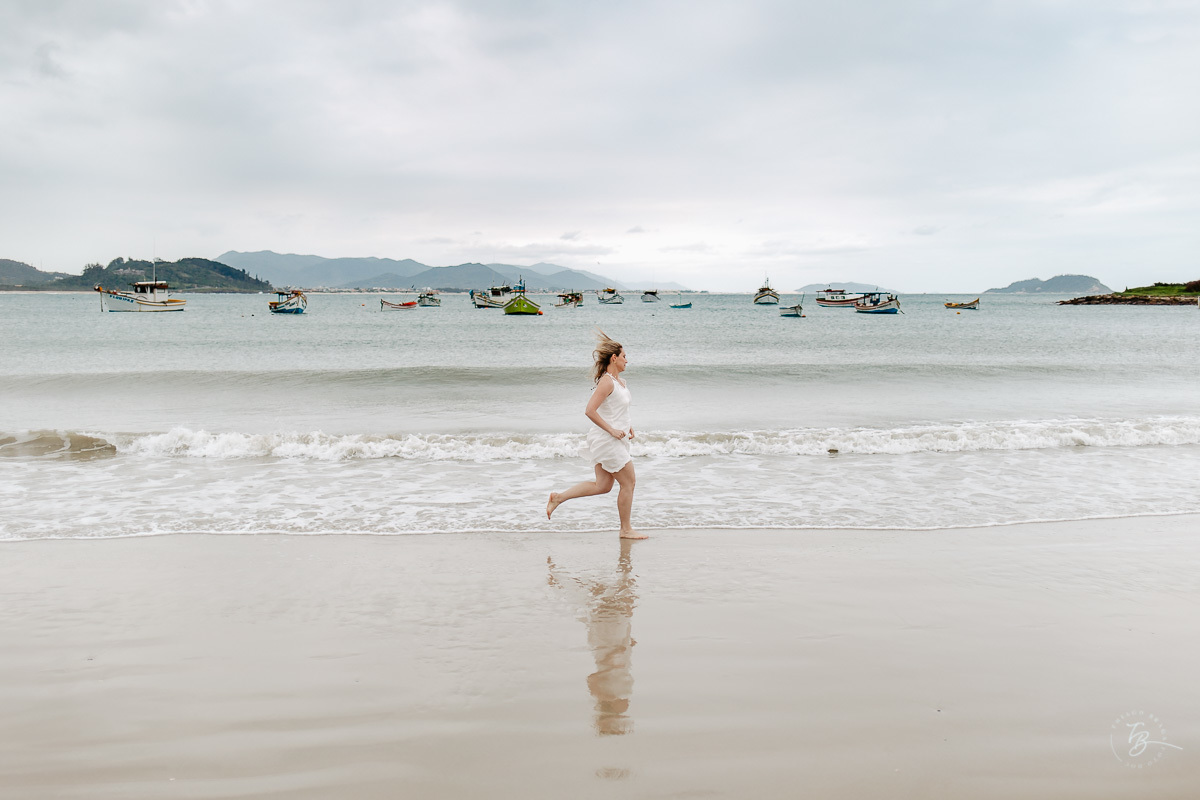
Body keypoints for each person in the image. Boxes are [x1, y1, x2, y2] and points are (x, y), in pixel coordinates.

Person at [546, 329, 647, 539]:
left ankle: (558, 498)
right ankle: (625, 529)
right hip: (607, 440)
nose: (627, 360)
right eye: (624, 356)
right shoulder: (607, 381)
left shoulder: (621, 383)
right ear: (614, 358)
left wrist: (629, 426)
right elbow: (589, 410)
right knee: (629, 483)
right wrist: (611, 430)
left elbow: (617, 409)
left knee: (603, 486)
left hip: (616, 439)